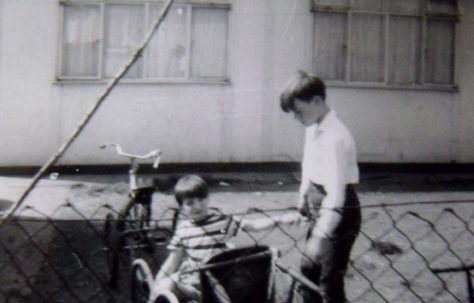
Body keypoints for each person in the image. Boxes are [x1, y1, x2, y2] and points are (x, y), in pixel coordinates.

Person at [139, 174, 299, 303]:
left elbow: (252, 226)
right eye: (190, 203)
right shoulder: (183, 231)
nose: (197, 206)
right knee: (168, 283)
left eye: (201, 200)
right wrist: (159, 283)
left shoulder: (222, 224)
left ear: (208, 199)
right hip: (197, 285)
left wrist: (280, 219)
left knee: (171, 284)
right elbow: (173, 262)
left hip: (222, 283)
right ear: (182, 208)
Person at [280, 71, 361, 303]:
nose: (296, 117)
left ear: (316, 101)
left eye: (298, 111)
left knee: (328, 281)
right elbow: (309, 160)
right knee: (308, 271)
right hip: (320, 204)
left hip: (339, 213)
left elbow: (336, 194)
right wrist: (304, 192)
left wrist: (321, 235)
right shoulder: (313, 126)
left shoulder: (335, 137)